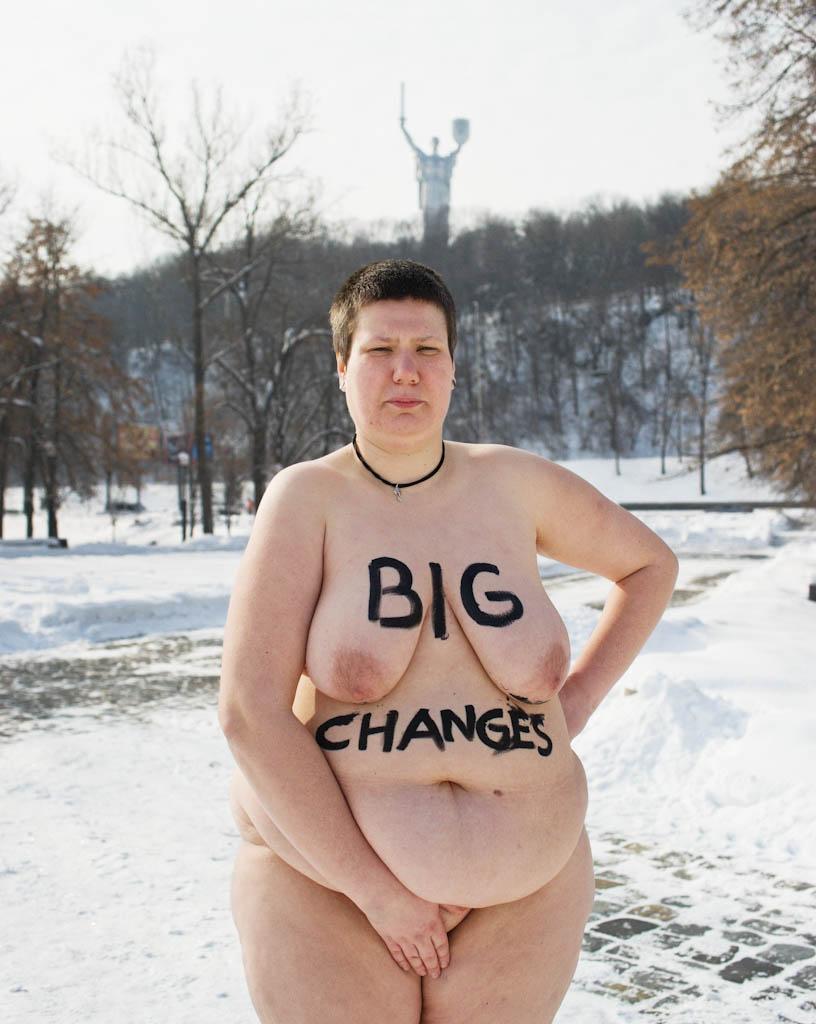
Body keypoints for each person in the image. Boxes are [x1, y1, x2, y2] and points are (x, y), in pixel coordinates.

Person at [218, 259, 679, 1023]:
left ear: (454, 368)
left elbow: (649, 566)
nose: (406, 371)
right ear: (342, 368)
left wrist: (573, 708)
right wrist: (378, 893)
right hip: (333, 891)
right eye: (380, 350)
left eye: (427, 350)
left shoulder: (515, 484)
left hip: (527, 894)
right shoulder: (308, 498)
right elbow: (248, 712)